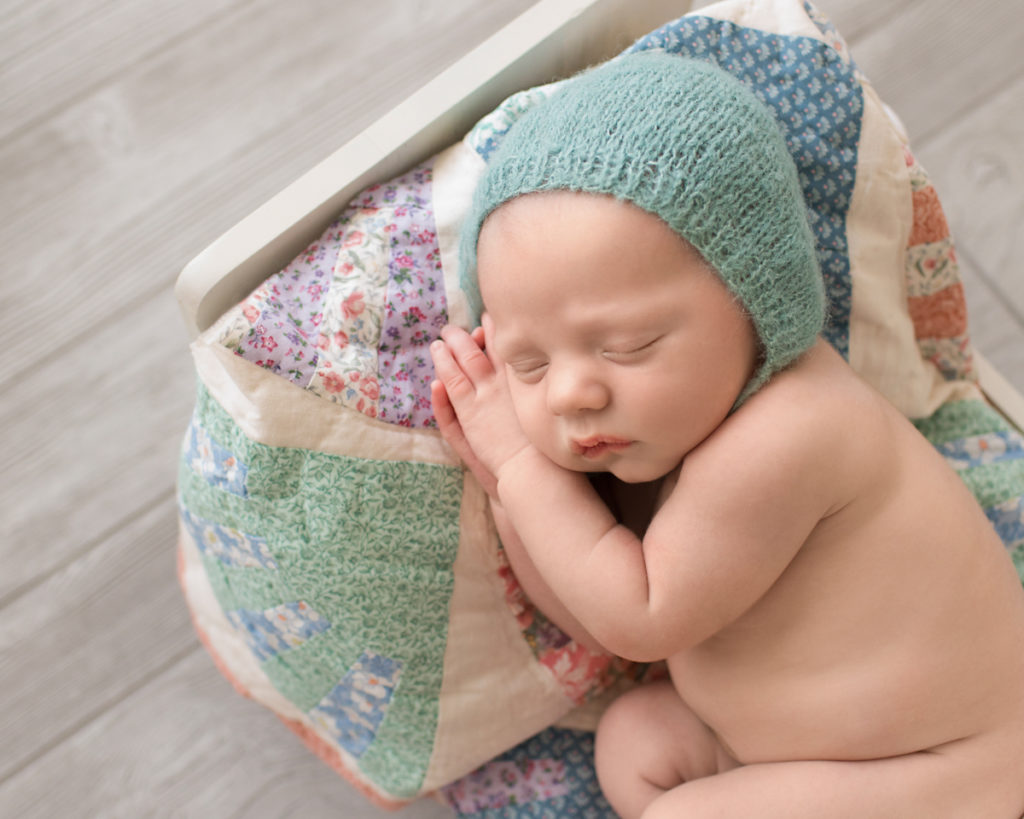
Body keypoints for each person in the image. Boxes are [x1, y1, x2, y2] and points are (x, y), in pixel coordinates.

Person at [429, 52, 1024, 818]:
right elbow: (595, 618)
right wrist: (510, 495)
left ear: (753, 301)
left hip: (952, 768)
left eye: (630, 344)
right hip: (788, 748)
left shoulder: (793, 429)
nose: (573, 391)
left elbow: (639, 616)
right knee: (635, 737)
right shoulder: (663, 431)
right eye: (528, 362)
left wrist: (520, 465)